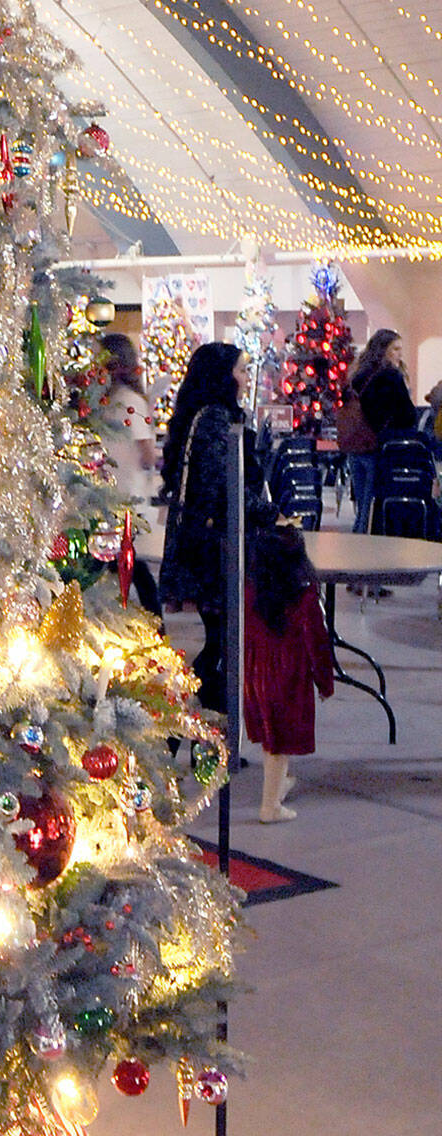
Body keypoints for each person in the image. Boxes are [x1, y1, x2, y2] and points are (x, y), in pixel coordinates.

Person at [158, 342, 274, 716]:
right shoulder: (213, 419)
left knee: (221, 639)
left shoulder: (210, 416)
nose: (244, 378)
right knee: (222, 642)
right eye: (240, 370)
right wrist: (269, 513)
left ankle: (201, 719)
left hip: (211, 544)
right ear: (222, 376)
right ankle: (198, 719)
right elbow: (226, 487)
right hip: (213, 550)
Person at [244, 522, 334, 822]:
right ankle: (270, 806)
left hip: (256, 673)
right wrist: (325, 682)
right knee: (279, 743)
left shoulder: (251, 591)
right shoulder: (305, 597)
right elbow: (318, 643)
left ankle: (278, 785)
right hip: (288, 676)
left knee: (271, 735)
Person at [96, 332, 160, 615]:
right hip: (130, 498)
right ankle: (156, 621)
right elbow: (148, 456)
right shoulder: (132, 401)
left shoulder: (101, 403)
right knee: (134, 566)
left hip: (104, 495)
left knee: (118, 564)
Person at [343, 329, 415, 535]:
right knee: (371, 504)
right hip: (377, 446)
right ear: (383, 350)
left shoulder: (359, 374)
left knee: (362, 505)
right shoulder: (391, 377)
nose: (399, 354)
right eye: (395, 349)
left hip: (356, 444)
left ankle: (357, 540)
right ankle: (363, 546)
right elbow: (407, 415)